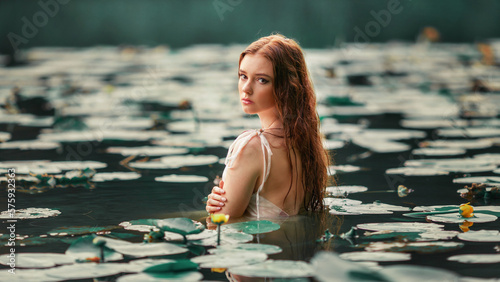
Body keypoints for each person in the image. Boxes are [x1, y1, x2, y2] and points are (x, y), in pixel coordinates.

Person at [205, 34, 330, 219]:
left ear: (286, 87)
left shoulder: (251, 147)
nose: (246, 88)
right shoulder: (307, 145)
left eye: (261, 79)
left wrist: (211, 212)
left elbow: (219, 228)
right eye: (243, 76)